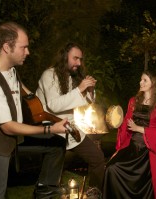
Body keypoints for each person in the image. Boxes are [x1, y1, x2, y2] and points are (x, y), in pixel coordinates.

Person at [0, 22, 69, 199]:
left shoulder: (11, 69)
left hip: (15, 139)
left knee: (55, 144)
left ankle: (44, 189)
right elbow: (8, 127)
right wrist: (50, 128)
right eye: (24, 47)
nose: (28, 52)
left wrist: (40, 107)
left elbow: (20, 87)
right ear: (6, 47)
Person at [36, 42, 105, 197]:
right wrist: (80, 89)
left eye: (80, 59)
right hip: (52, 130)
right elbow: (54, 105)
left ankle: (93, 192)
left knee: (98, 158)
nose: (79, 63)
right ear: (64, 55)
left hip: (70, 129)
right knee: (51, 175)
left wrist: (90, 90)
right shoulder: (49, 75)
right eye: (75, 58)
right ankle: (43, 192)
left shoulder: (70, 77)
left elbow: (86, 101)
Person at [102, 70, 156, 199]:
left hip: (149, 148)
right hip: (132, 145)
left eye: (144, 80)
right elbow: (126, 123)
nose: (140, 82)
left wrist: (139, 128)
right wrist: (116, 123)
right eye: (141, 80)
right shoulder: (133, 101)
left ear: (154, 83)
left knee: (155, 181)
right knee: (111, 168)